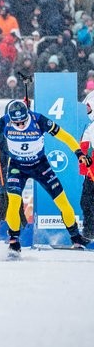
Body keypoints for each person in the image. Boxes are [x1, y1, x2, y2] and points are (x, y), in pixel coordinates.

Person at [0, 99, 92, 254]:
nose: (21, 126)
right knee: (14, 202)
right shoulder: (4, 122)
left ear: (28, 115)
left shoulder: (38, 120)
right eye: (16, 124)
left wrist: (78, 153)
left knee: (62, 201)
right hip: (17, 167)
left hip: (40, 165)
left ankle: (76, 237)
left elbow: (64, 136)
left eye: (23, 122)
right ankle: (14, 241)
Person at [78, 92, 94, 245]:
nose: (87, 111)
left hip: (92, 173)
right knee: (86, 202)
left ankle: (89, 232)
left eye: (88, 108)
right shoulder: (90, 126)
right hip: (91, 174)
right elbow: (85, 149)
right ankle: (89, 233)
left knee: (87, 202)